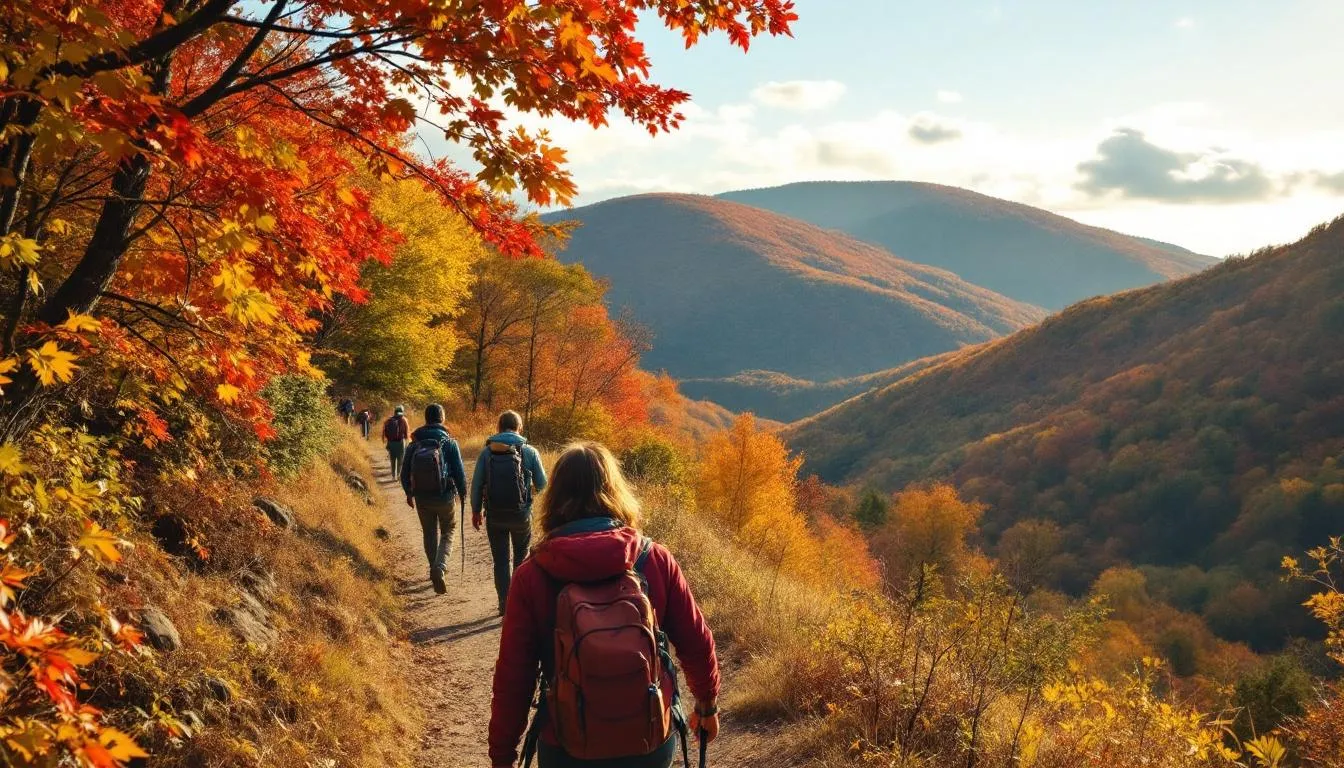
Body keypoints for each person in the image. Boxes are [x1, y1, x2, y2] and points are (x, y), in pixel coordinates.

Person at [487, 442, 720, 768]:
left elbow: (514, 676)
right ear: (615, 490)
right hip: (648, 737)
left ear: (554, 497)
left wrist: (502, 754)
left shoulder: (533, 575)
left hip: (567, 744)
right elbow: (696, 642)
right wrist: (706, 705)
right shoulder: (653, 559)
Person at [471, 410, 547, 615]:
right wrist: (529, 494)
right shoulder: (529, 452)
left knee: (501, 560)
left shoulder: (487, 453)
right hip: (521, 515)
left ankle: (504, 603)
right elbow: (543, 483)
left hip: (495, 515)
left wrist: (476, 511)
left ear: (498, 427)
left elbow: (477, 484)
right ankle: (518, 604)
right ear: (519, 428)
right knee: (521, 559)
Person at [399, 404, 467, 595]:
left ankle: (433, 568)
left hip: (422, 497)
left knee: (429, 533)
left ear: (426, 419)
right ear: (442, 419)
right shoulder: (449, 443)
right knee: (449, 529)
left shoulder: (414, 443)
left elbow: (404, 474)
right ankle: (440, 566)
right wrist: (463, 493)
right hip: (445, 496)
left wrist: (409, 493)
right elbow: (460, 473)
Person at [382, 405, 411, 476]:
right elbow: (407, 433)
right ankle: (398, 475)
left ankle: (393, 474)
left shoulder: (389, 420)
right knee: (400, 460)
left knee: (393, 459)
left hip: (391, 442)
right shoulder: (404, 419)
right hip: (401, 442)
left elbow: (385, 432)